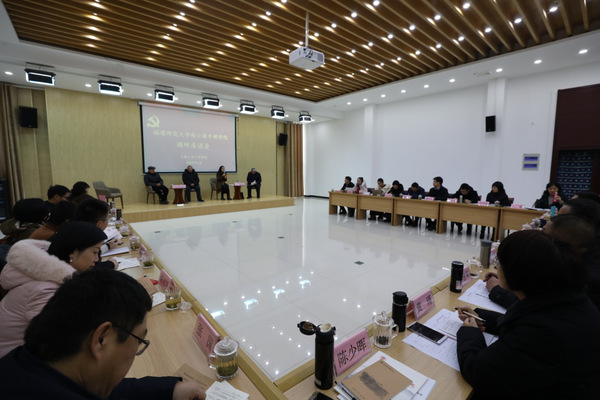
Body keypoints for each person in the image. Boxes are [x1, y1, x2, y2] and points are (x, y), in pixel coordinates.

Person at [0, 268, 206, 399]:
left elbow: (102, 390)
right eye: (138, 341)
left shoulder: (23, 364)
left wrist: (168, 389)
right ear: (101, 339)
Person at [456, 230, 600, 399]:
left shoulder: (542, 333)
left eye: (498, 262)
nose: (497, 266)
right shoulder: (565, 298)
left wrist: (469, 332)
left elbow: (478, 372)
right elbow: (522, 319)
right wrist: (480, 317)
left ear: (516, 273)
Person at [0, 221, 107, 357]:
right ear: (73, 252)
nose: (97, 259)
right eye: (95, 252)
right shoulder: (44, 291)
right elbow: (58, 342)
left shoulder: (48, 273)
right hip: (13, 360)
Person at [485, 213, 599, 309]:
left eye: (544, 233)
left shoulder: (585, 281)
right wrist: (512, 276)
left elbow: (536, 308)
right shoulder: (571, 267)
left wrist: (500, 288)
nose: (537, 235)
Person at [73, 198, 119, 270]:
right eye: (108, 219)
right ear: (99, 224)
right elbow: (91, 270)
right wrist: (110, 264)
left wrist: (107, 246)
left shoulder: (74, 229)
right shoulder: (87, 238)